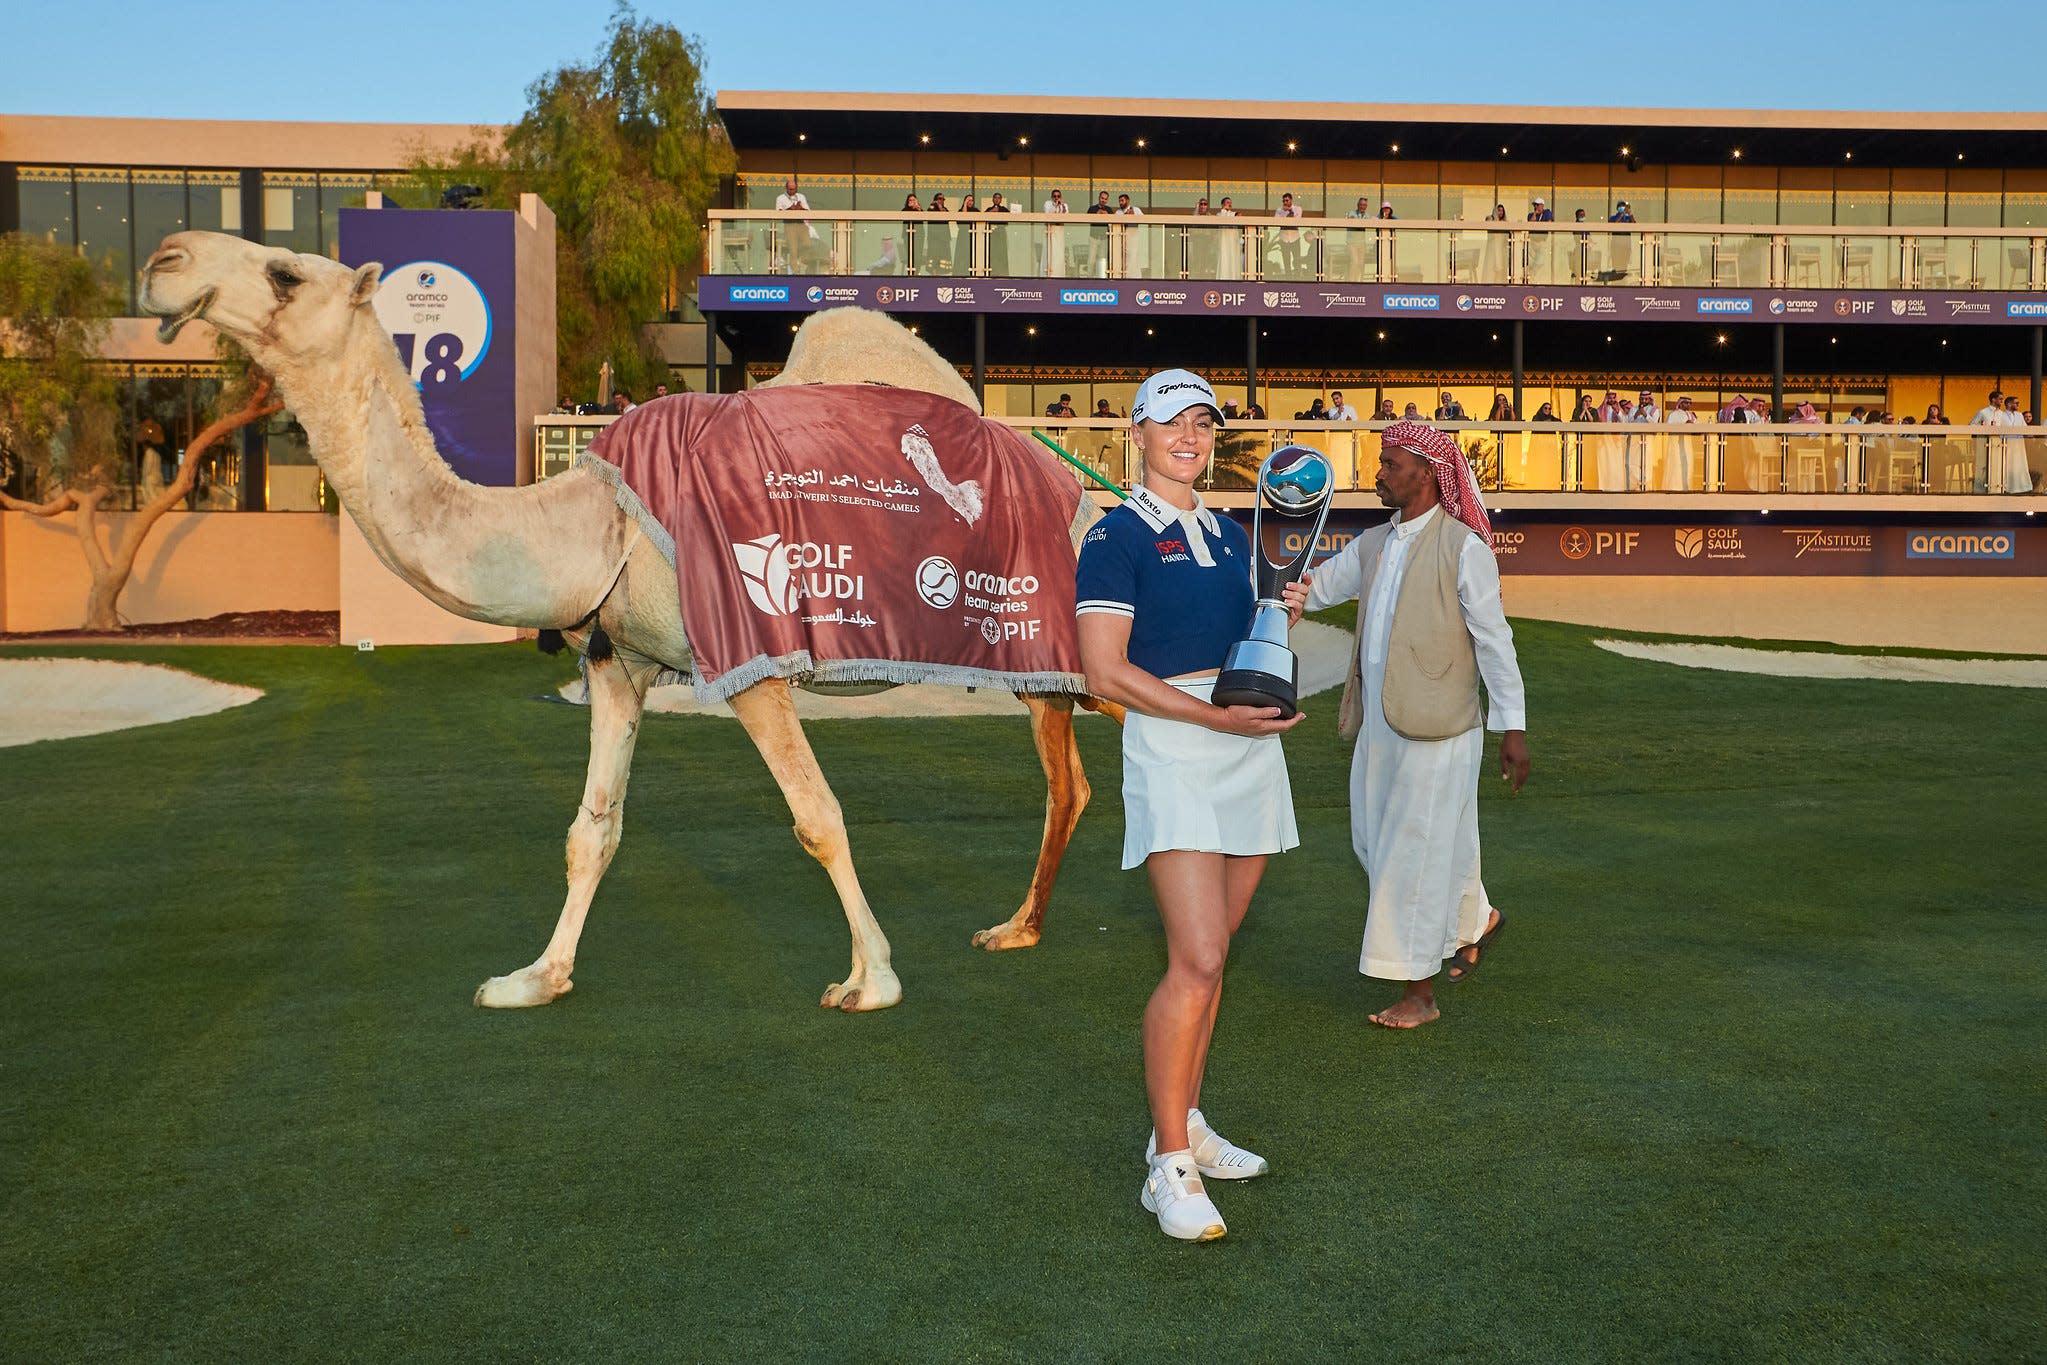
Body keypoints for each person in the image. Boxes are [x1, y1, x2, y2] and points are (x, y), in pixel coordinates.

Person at [1074, 368, 1302, 1241]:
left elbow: (1242, 641)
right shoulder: (1115, 535)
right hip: (1176, 748)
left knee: (1218, 956)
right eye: (1172, 422)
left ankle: (1190, 1121)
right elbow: (1105, 672)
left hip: (1247, 750)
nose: (1190, 436)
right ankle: (1166, 1163)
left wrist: (1280, 630)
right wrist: (1215, 716)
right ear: (1136, 432)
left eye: (1203, 423)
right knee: (1196, 956)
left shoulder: (1230, 530)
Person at [1282, 419, 1527, 1030]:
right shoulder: (1373, 543)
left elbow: (1495, 641)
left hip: (1442, 732)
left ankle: (1418, 991)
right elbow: (1313, 590)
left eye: (1390, 463)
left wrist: (1512, 727)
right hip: (1381, 727)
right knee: (1374, 841)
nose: (1379, 473)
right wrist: (1275, 588)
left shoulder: (1464, 547)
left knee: (1408, 853)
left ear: (1427, 471)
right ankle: (1475, 921)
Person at [775, 178, 820, 273]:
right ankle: (795, 272)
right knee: (793, 250)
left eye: (794, 189)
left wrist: (800, 208)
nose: (792, 191)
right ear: (786, 188)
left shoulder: (801, 196)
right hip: (789, 225)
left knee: (807, 244)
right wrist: (790, 209)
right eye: (790, 189)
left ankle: (805, 268)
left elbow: (808, 211)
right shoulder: (780, 198)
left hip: (801, 225)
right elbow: (778, 213)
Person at [1627, 389, 1662, 490]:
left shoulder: (1655, 410)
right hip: (1634, 440)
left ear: (1650, 399)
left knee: (1647, 463)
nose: (1643, 401)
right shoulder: (1633, 409)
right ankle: (1634, 487)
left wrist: (1646, 415)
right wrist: (1636, 415)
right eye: (1641, 399)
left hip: (1648, 440)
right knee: (1634, 463)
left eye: (1646, 399)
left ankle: (1646, 487)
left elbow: (1655, 425)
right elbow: (1628, 423)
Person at [1664, 395, 1698, 490]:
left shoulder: (1691, 415)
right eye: (1686, 403)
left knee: (1688, 466)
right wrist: (1684, 426)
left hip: (1687, 445)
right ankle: (1674, 488)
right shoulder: (1674, 414)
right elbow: (1668, 428)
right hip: (1676, 445)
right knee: (1676, 466)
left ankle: (1687, 488)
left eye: (1689, 403)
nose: (1688, 405)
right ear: (1680, 403)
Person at [1273, 192, 1304, 278]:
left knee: (1297, 259)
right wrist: (1285, 214)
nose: (1285, 202)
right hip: (1284, 238)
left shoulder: (1298, 209)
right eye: (1283, 201)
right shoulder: (1279, 210)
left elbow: (1297, 220)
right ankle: (1288, 278)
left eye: (1287, 200)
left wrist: (1289, 212)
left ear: (1291, 200)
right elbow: (1276, 221)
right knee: (1286, 260)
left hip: (1295, 238)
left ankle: (1297, 278)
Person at [1040, 187, 1069, 277]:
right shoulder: (1048, 203)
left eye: (1058, 196)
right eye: (1054, 196)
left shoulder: (1064, 205)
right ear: (1051, 197)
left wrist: (1062, 206)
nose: (1056, 198)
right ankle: (1047, 274)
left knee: (1058, 254)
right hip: (1050, 230)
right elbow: (1048, 214)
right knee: (1049, 252)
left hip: (1059, 230)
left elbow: (1066, 215)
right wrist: (1055, 205)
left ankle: (1058, 274)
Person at [1087, 190, 1115, 276]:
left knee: (1102, 259)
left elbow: (1114, 222)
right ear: (1099, 198)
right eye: (1102, 198)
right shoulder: (1092, 208)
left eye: (1105, 199)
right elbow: (1087, 219)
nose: (1103, 200)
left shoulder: (1109, 210)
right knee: (1091, 259)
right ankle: (1089, 277)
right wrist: (1096, 214)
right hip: (1093, 237)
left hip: (1104, 238)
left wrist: (1108, 216)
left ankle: (1101, 277)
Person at [985, 192, 1013, 276]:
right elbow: (983, 217)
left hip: (1001, 234)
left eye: (998, 198)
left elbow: (1010, 218)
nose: (997, 199)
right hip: (991, 234)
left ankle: (1003, 273)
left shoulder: (1004, 209)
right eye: (995, 197)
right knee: (991, 253)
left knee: (1002, 253)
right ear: (992, 199)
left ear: (1001, 200)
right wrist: (991, 211)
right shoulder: (989, 209)